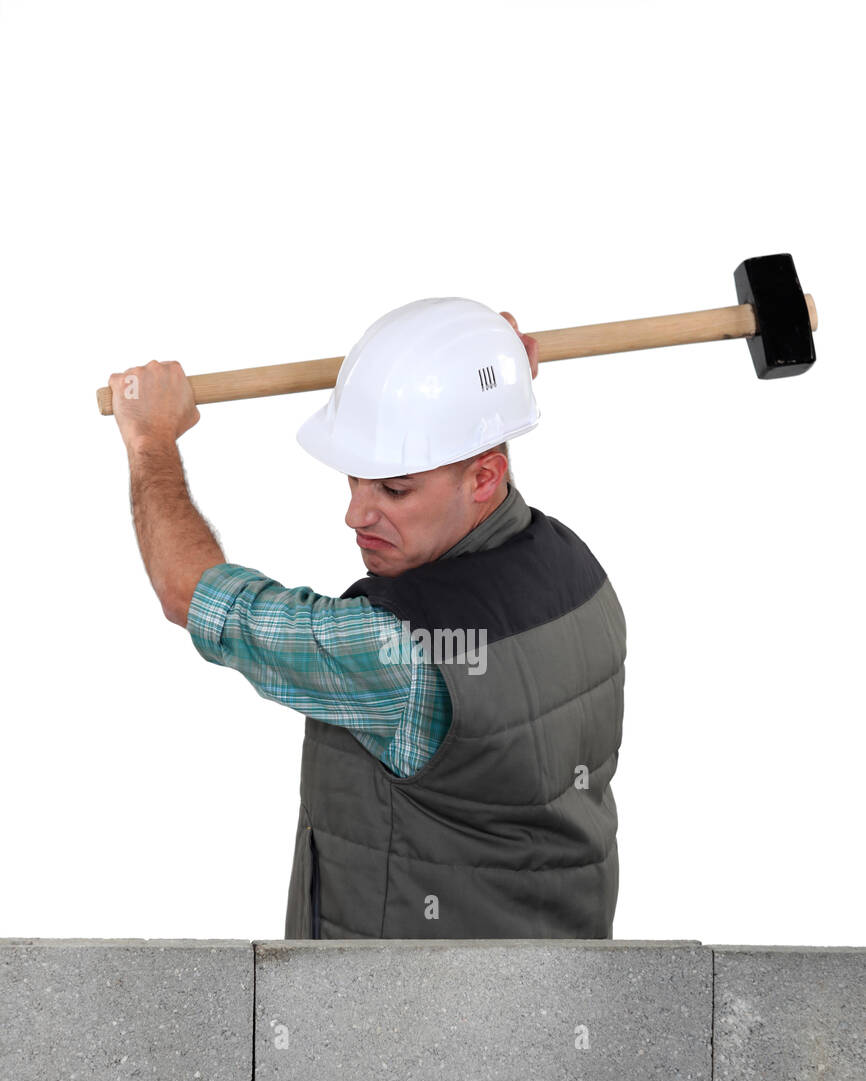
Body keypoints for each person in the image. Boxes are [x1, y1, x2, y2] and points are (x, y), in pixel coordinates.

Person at [109, 298, 626, 941]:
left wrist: (149, 438)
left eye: (394, 489)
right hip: (567, 987)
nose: (356, 514)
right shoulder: (579, 573)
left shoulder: (398, 654)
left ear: (485, 476)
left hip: (405, 1023)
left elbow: (190, 593)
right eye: (354, 479)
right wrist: (480, 367)